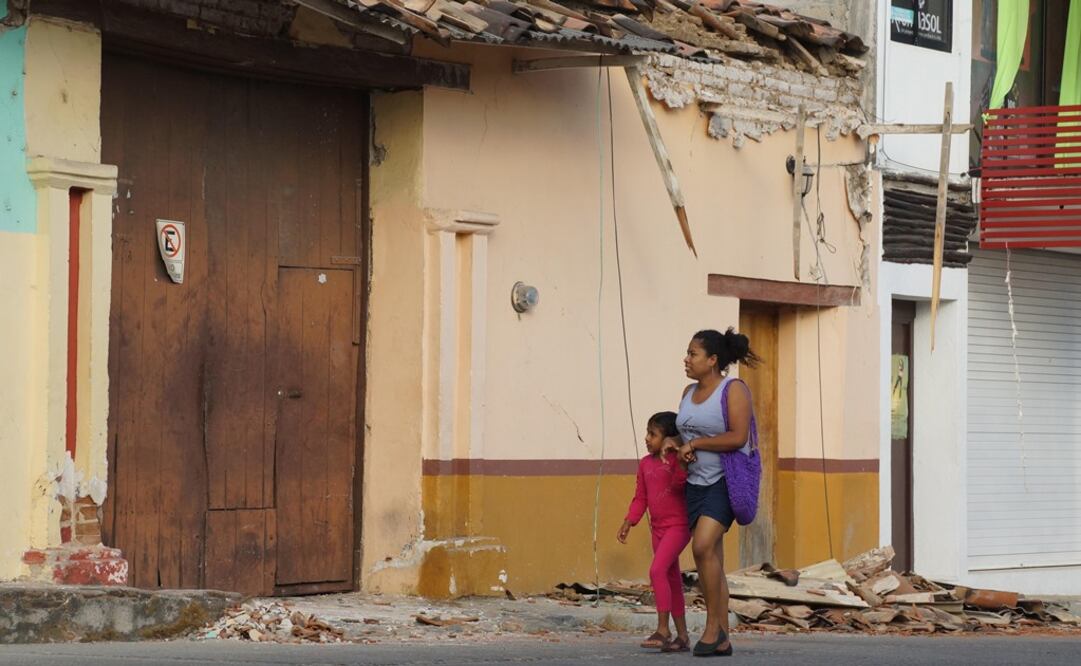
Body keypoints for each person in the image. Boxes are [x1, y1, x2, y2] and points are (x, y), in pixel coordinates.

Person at [670, 328, 759, 657]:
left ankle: (711, 627)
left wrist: (696, 443)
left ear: (712, 360)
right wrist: (679, 446)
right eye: (688, 353)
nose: (687, 359)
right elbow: (684, 433)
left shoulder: (733, 390)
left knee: (702, 546)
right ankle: (722, 635)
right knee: (712, 559)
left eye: (693, 354)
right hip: (694, 482)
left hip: (725, 480)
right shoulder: (688, 391)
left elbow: (737, 437)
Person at [617, 411, 692, 653]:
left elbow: (679, 485)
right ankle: (682, 636)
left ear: (669, 438)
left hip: (678, 527)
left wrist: (677, 459)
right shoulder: (645, 463)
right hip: (657, 529)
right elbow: (641, 497)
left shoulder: (676, 461)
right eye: (647, 433)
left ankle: (663, 629)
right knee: (671, 579)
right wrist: (630, 520)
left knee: (656, 570)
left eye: (653, 434)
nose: (647, 438)